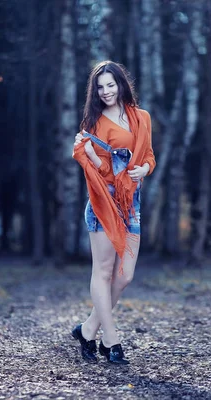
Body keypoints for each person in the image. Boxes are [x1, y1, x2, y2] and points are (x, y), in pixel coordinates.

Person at [71, 61, 155, 364]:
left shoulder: (142, 118)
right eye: (100, 87)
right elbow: (102, 172)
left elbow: (148, 157)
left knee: (125, 275)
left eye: (111, 85)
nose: (106, 91)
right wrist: (92, 155)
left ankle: (88, 329)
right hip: (103, 204)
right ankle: (112, 340)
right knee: (104, 272)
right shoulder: (94, 125)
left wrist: (143, 169)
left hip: (132, 202)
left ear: (121, 85)